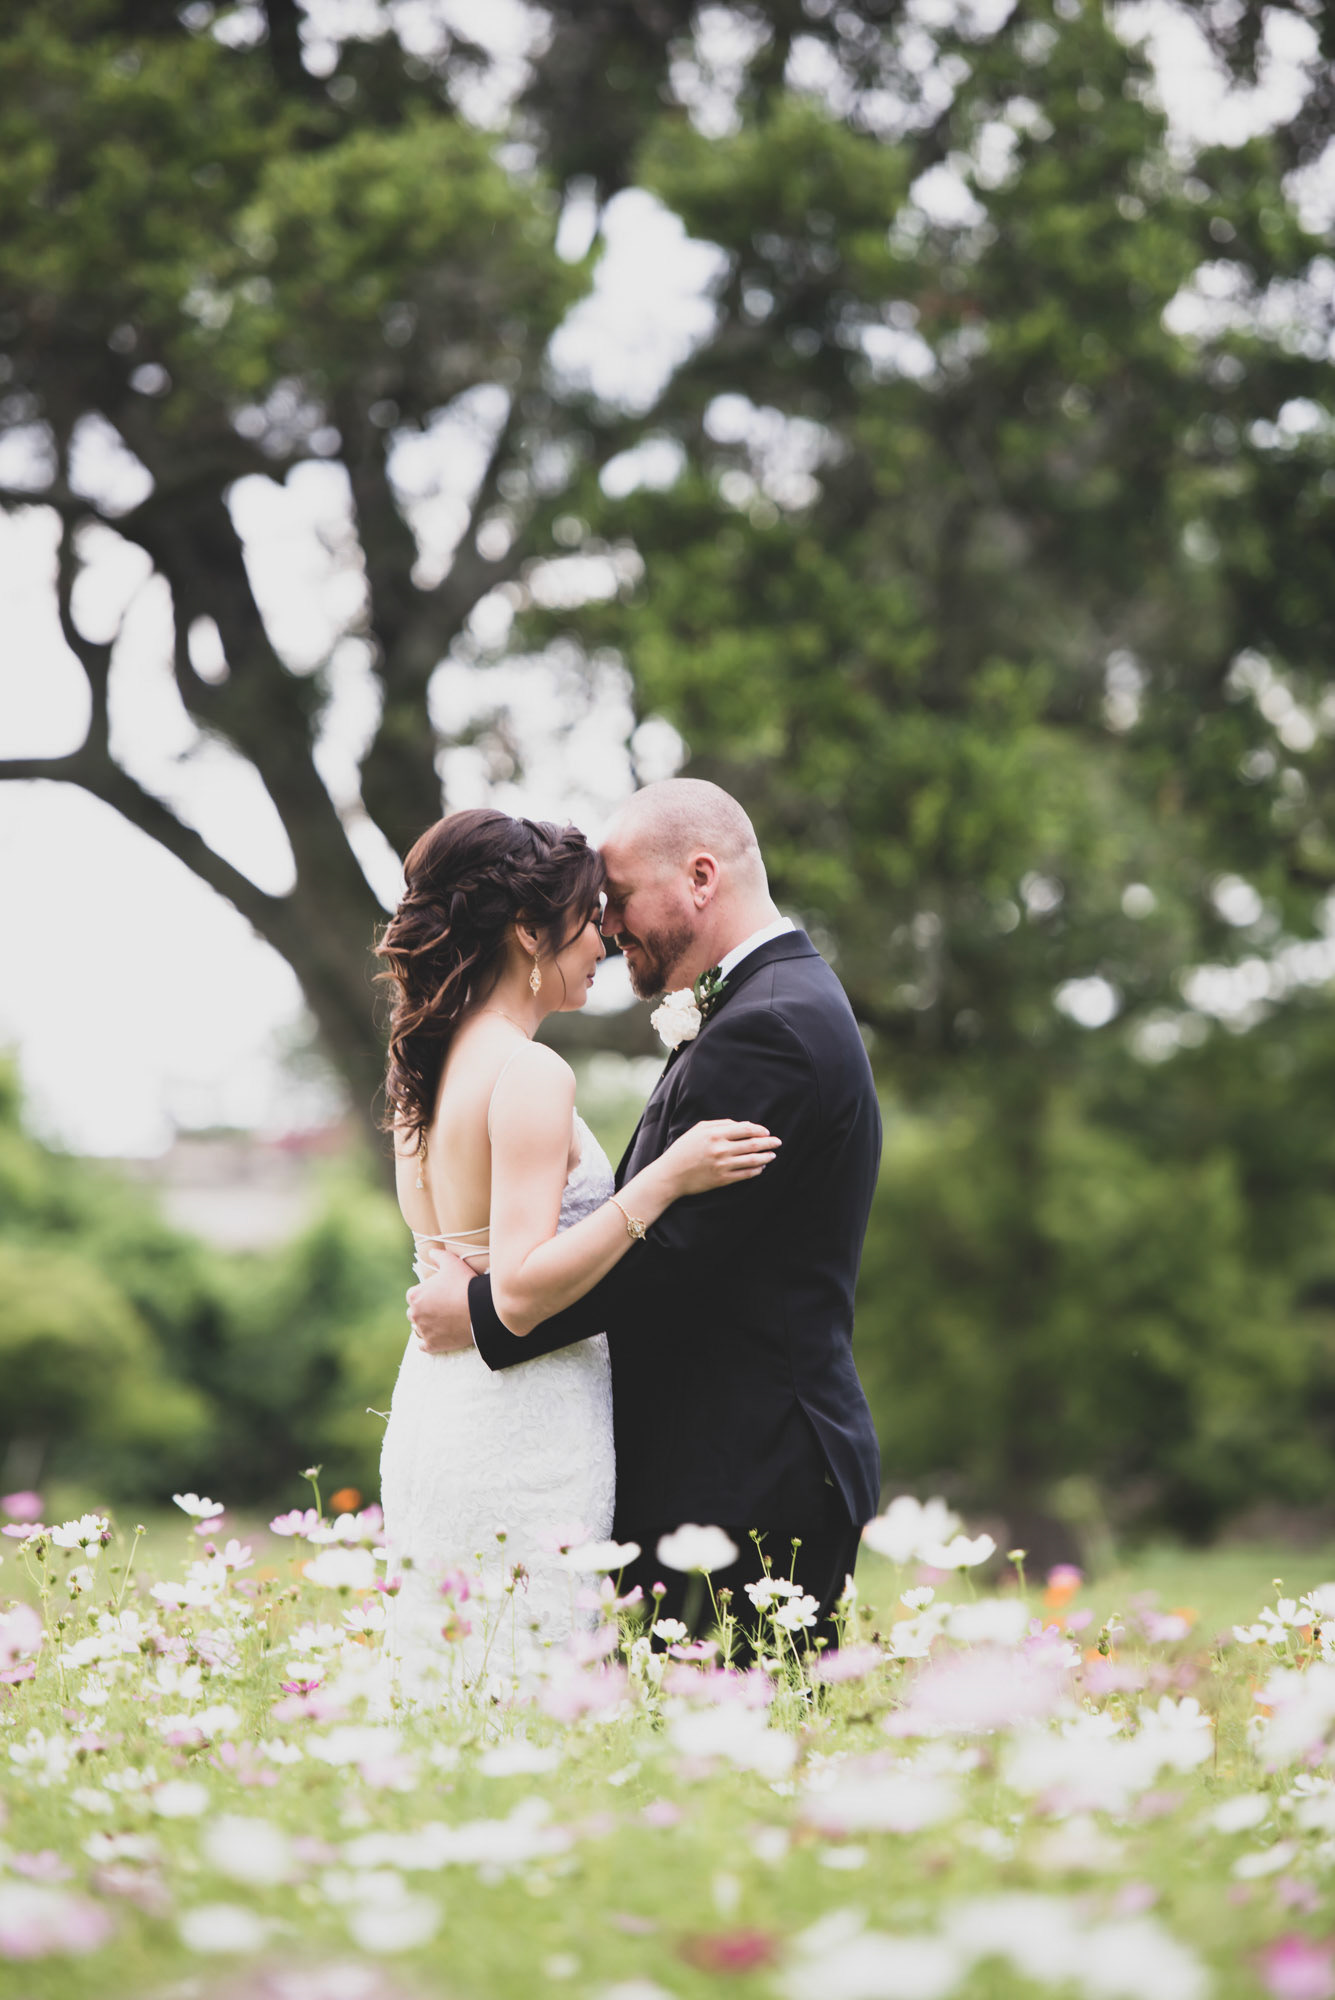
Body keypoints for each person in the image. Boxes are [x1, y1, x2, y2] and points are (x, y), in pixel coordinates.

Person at [407, 779, 883, 1655]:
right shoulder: (759, 1008)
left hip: (749, 1470)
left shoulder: (770, 1026)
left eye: (618, 897)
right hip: (711, 1467)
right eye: (594, 908)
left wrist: (482, 1315)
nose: (607, 924)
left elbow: (670, 1256)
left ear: (700, 877)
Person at [375, 807, 776, 1694]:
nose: (605, 939)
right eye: (588, 917)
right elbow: (517, 1291)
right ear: (528, 932)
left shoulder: (426, 1065)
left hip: (442, 1409)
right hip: (523, 1424)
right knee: (529, 1675)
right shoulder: (527, 1071)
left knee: (451, 1673)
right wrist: (661, 1181)